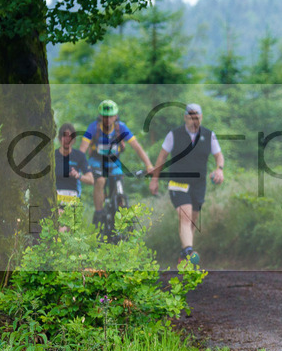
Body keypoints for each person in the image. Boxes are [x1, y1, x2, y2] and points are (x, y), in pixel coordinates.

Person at [149, 102, 224, 262]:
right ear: (185, 118)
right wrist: (155, 179)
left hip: (198, 184)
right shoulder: (174, 135)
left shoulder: (209, 135)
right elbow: (161, 158)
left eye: (196, 117)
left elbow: (219, 156)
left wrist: (219, 169)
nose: (193, 121)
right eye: (190, 117)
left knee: (193, 220)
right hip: (178, 182)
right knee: (185, 216)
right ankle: (190, 252)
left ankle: (184, 255)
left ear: (201, 118)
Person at [78, 99, 154, 228]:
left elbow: (137, 147)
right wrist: (81, 168)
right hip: (97, 160)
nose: (108, 120)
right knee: (101, 180)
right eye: (105, 116)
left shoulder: (121, 128)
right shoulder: (93, 127)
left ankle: (120, 210)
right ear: (100, 116)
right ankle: (98, 213)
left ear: (116, 116)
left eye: (111, 116)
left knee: (119, 182)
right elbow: (82, 150)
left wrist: (149, 165)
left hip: (114, 162)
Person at [54, 122, 94, 231]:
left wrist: (78, 175)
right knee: (62, 226)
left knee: (71, 231)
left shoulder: (79, 156)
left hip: (73, 198)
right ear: (59, 138)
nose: (67, 140)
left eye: (70, 137)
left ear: (74, 140)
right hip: (57, 198)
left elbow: (91, 180)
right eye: (64, 136)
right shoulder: (53, 156)